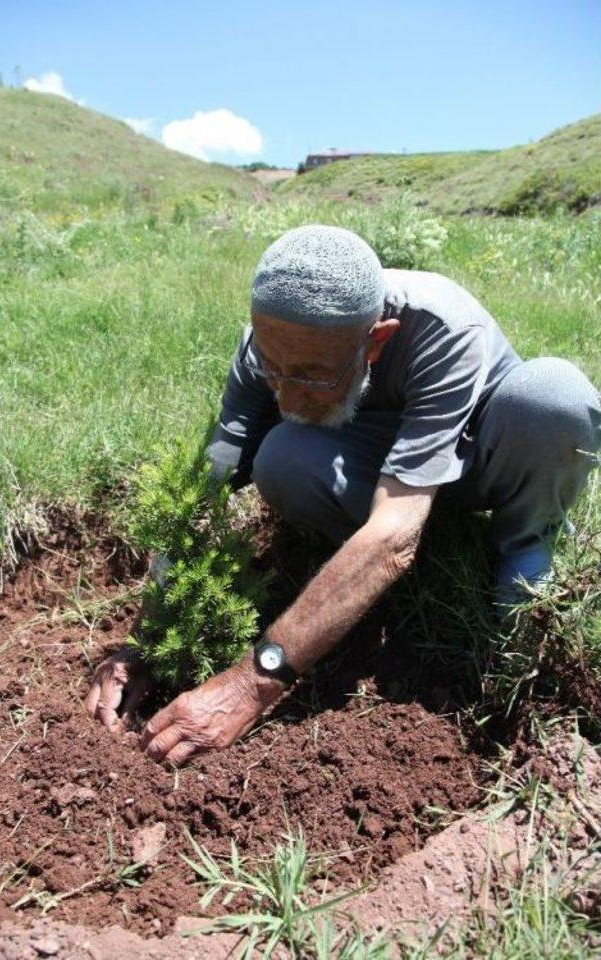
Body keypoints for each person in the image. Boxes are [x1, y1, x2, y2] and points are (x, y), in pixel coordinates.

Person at [85, 225, 600, 765]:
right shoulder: (272, 345)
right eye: (273, 369)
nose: (284, 392)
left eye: (311, 376)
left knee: (553, 399)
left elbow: (393, 536)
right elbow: (206, 486)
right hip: (379, 464)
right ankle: (369, 561)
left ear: (375, 341)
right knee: (281, 456)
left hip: (476, 457)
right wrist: (144, 642)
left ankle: (525, 543)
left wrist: (251, 683)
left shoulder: (445, 328)